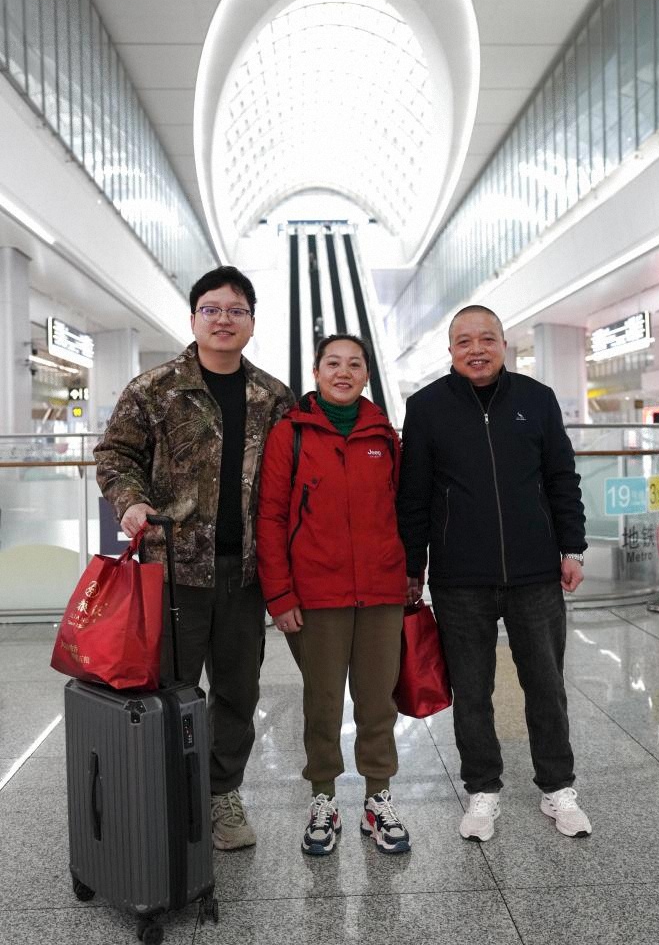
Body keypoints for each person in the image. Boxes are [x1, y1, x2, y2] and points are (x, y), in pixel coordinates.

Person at [94, 265, 294, 850]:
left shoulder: (273, 398)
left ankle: (222, 793)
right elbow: (115, 456)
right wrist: (131, 501)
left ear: (251, 323)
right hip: (172, 570)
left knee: (238, 692)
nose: (223, 319)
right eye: (212, 309)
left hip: (244, 573)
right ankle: (167, 794)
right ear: (193, 319)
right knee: (168, 690)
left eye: (235, 310)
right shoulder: (154, 389)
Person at [397, 305, 591, 842]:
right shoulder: (426, 407)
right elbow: (413, 495)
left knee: (546, 684)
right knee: (472, 689)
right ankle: (482, 788)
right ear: (451, 350)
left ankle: (557, 786)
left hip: (535, 572)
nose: (476, 349)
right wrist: (413, 566)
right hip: (460, 577)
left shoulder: (537, 399)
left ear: (504, 344)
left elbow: (562, 477)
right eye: (465, 341)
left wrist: (572, 548)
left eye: (487, 339)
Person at [256, 334, 410, 856]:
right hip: (316, 594)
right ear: (316, 371)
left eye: (354, 364)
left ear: (366, 374)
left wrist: (409, 574)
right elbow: (271, 517)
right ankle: (323, 797)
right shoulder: (290, 434)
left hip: (381, 590)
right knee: (322, 702)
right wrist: (279, 595)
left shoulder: (384, 435)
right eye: (333, 363)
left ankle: (377, 798)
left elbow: (401, 511)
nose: (343, 372)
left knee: (378, 701)